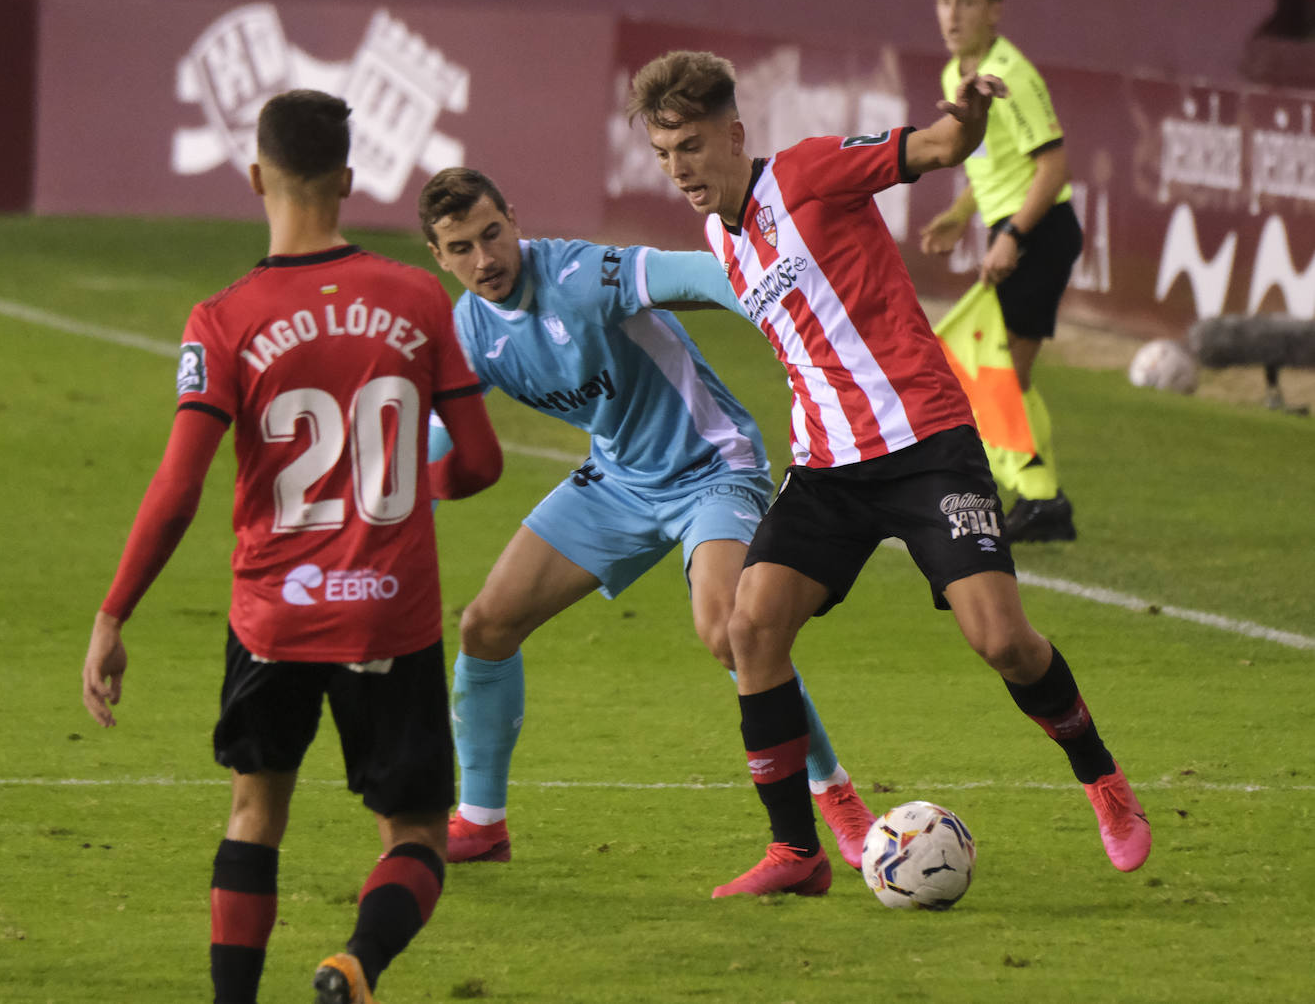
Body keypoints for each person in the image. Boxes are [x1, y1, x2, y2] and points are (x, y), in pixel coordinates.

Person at [626, 49, 1150, 898]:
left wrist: (970, 119)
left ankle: (1103, 780)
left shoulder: (809, 173)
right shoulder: (716, 240)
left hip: (924, 441)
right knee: (747, 631)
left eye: (688, 144)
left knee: (1001, 640)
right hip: (828, 466)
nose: (677, 167)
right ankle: (797, 852)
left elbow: (937, 148)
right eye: (661, 152)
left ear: (733, 134)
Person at [80, 90, 502, 1004]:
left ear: (255, 176)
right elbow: (479, 462)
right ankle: (355, 963)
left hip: (273, 615)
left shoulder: (224, 317)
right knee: (417, 832)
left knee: (255, 810)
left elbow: (179, 488)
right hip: (391, 617)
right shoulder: (420, 296)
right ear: (350, 181)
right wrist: (414, 495)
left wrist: (114, 612)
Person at [416, 166, 874, 885]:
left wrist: (773, 305)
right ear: (437, 258)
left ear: (513, 218)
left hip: (711, 469)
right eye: (461, 248)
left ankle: (835, 794)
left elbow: (690, 273)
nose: (485, 260)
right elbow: (442, 430)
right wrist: (413, 511)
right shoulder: (470, 331)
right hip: (619, 482)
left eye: (492, 235)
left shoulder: (577, 272)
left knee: (730, 633)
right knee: (486, 626)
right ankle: (480, 822)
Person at [919, 0, 1083, 543]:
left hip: (1040, 231)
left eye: (965, 2)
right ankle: (1041, 499)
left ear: (994, 10)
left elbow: (1054, 165)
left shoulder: (1012, 74)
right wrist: (963, 215)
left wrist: (1012, 235)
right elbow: (986, 163)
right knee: (1006, 377)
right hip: (1011, 232)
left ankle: (1034, 498)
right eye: (944, 1)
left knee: (1003, 375)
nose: (952, 14)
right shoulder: (955, 77)